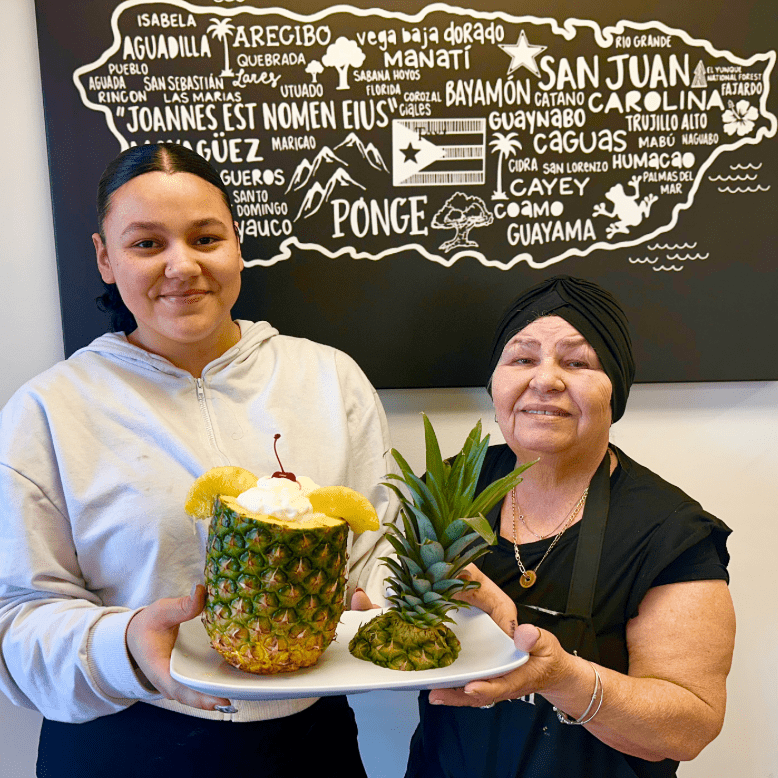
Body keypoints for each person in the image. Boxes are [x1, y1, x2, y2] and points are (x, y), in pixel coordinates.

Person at [0, 143, 395, 777]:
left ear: (238, 245)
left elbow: (380, 552)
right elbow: (15, 617)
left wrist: (406, 612)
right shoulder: (48, 410)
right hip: (120, 741)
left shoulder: (330, 380)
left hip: (307, 743)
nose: (182, 266)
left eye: (205, 238)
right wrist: (124, 644)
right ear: (105, 258)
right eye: (147, 244)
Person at [405, 276, 735, 778]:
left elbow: (689, 728)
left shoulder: (669, 531)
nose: (545, 380)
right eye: (522, 359)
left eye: (577, 362)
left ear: (614, 391)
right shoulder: (449, 486)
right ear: (495, 382)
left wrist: (562, 677)